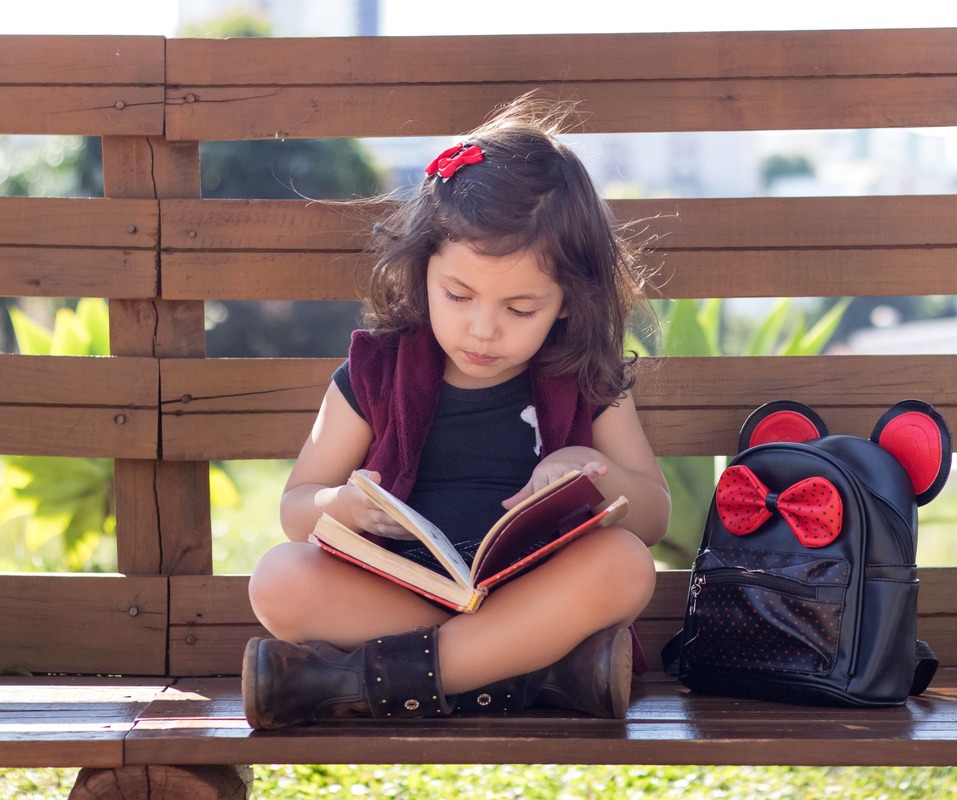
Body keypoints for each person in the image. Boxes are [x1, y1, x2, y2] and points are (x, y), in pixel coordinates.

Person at [241, 96, 670, 729]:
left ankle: (351, 683)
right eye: (458, 295)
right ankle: (532, 671)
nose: (482, 329)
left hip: (535, 590)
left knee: (626, 566)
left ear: (569, 303)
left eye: (520, 309)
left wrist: (594, 467)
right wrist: (340, 506)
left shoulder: (586, 376)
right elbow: (295, 506)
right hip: (407, 593)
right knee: (279, 579)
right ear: (422, 271)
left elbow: (655, 517)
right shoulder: (376, 372)